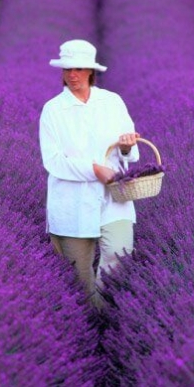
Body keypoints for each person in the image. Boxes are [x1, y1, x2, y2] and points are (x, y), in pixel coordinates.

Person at [39, 39, 140, 308]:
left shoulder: (112, 102)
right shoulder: (53, 110)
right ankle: (88, 332)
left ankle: (108, 323)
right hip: (72, 203)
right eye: (68, 69)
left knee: (118, 260)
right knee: (79, 282)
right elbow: (54, 161)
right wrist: (94, 169)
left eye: (79, 69)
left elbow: (132, 153)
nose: (73, 75)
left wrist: (128, 147)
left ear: (91, 71)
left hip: (114, 198)